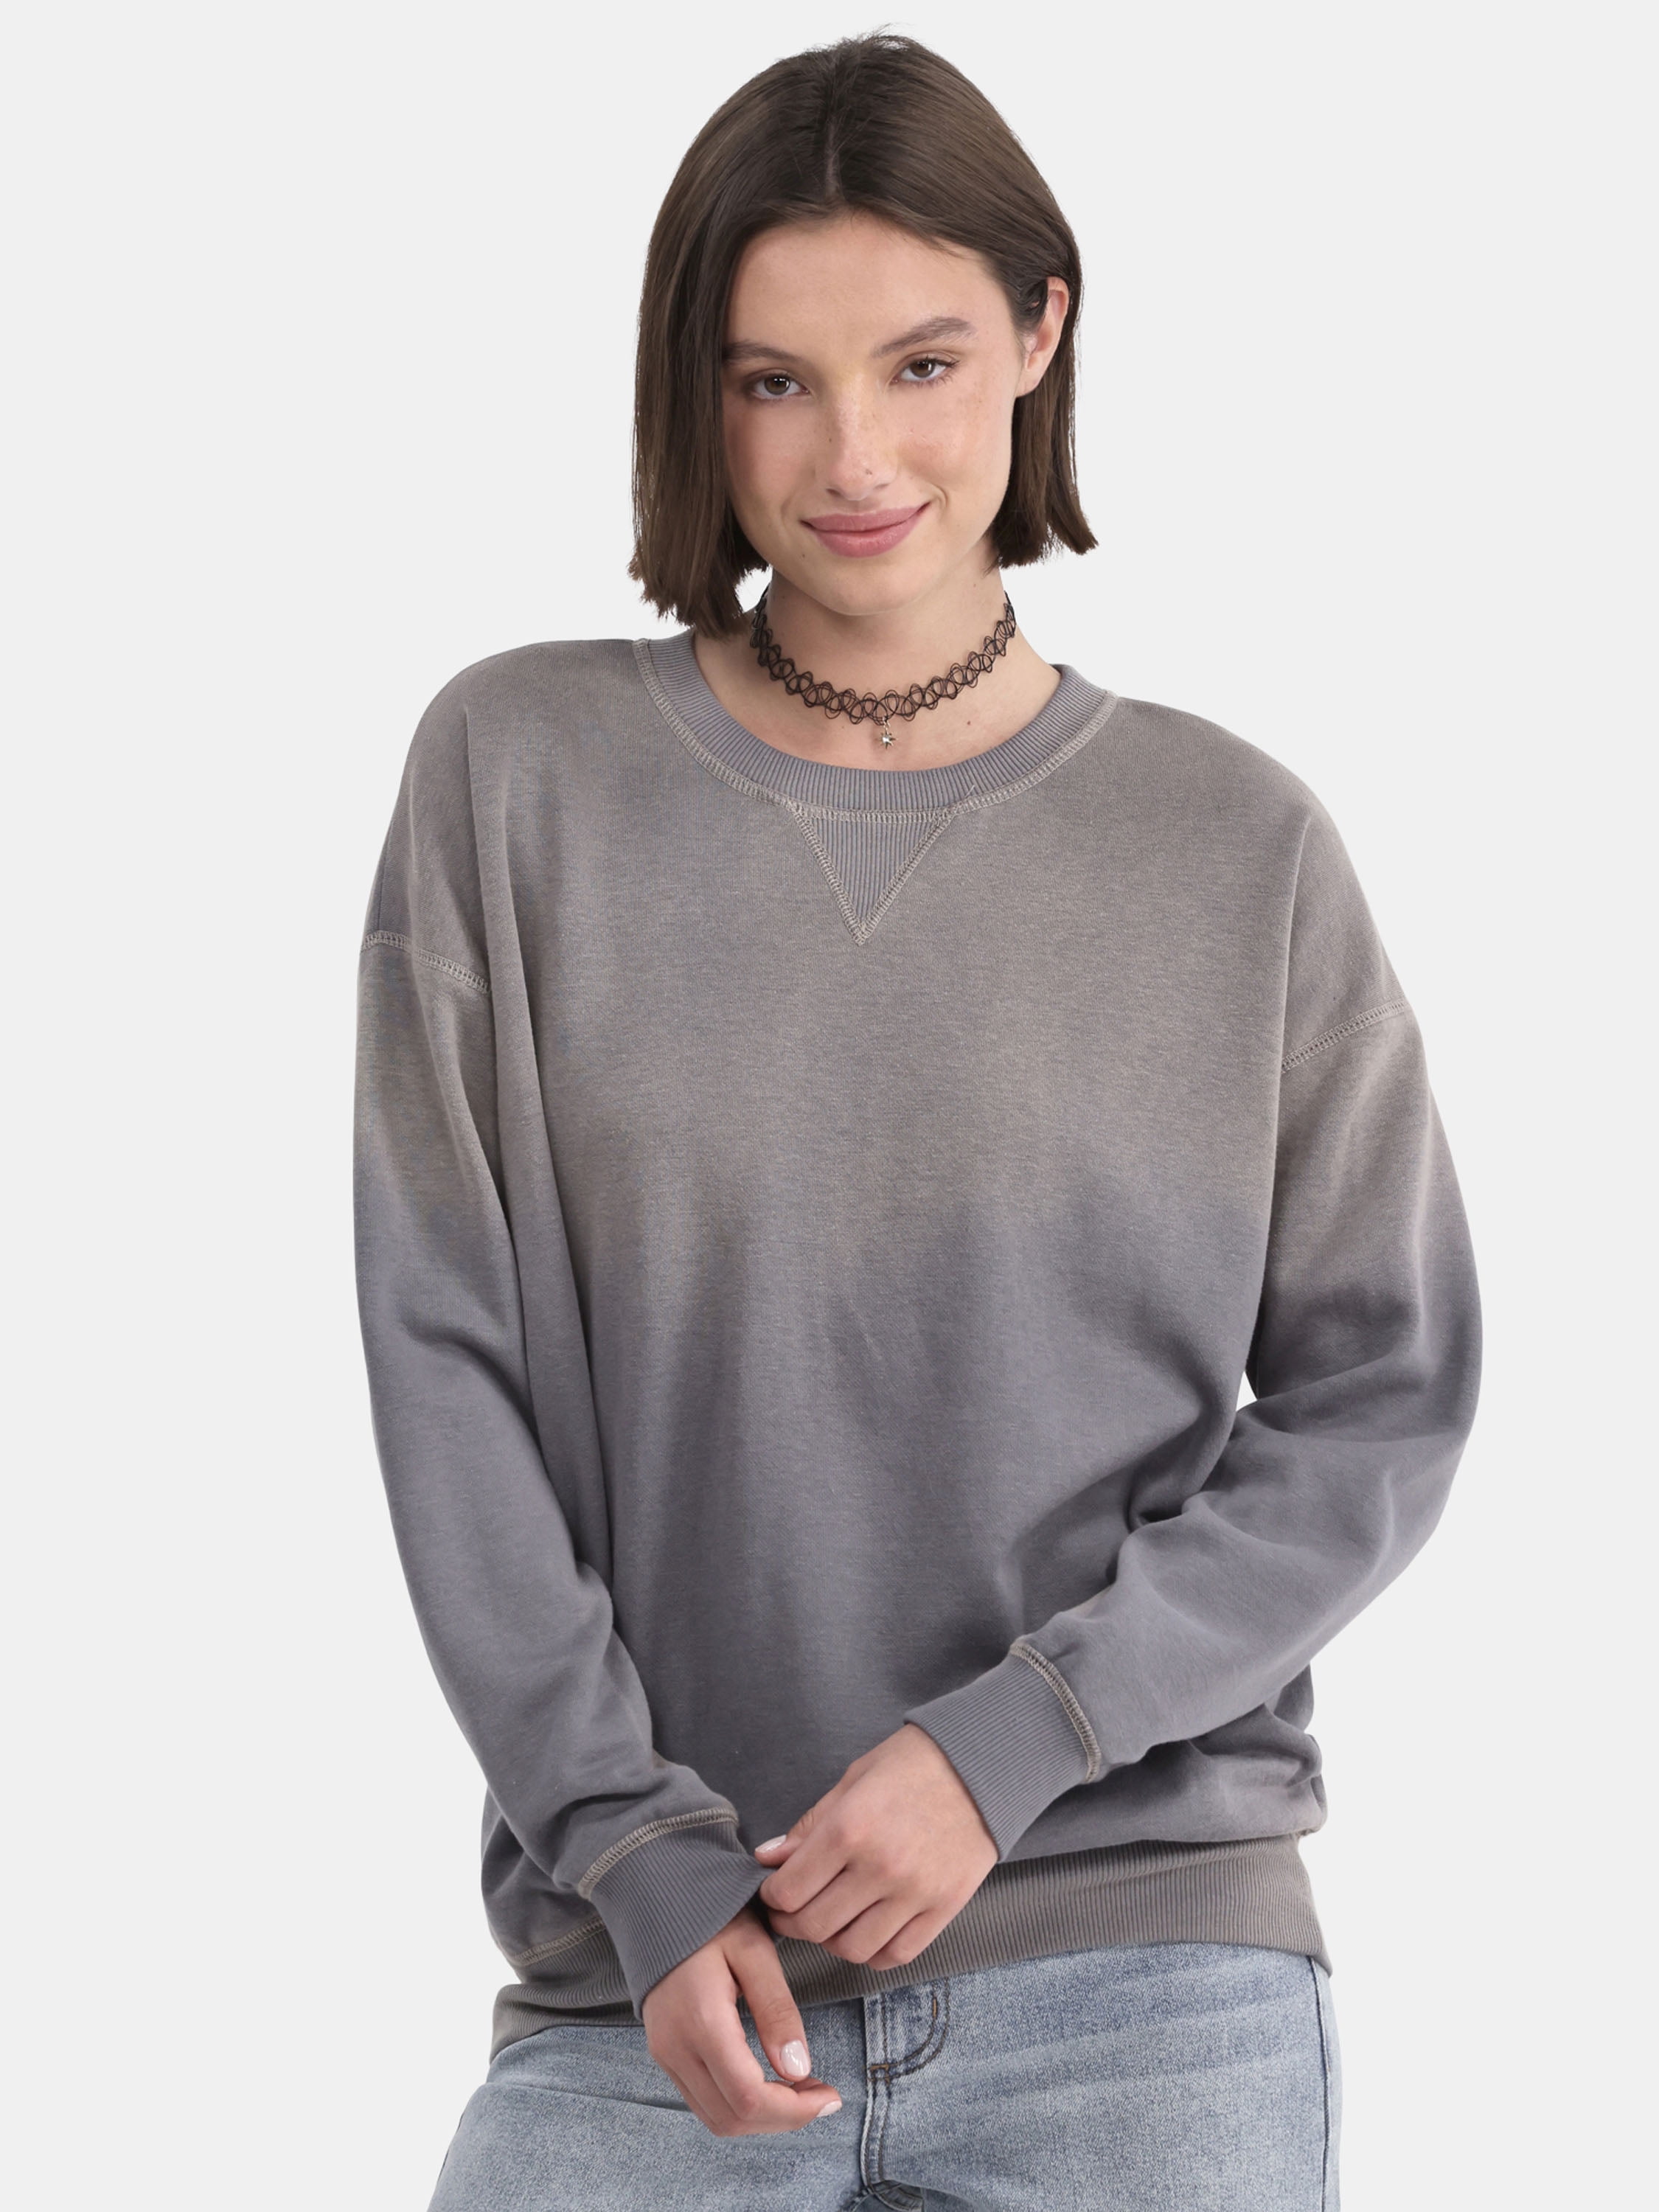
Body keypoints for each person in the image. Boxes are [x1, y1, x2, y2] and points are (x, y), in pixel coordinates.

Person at [353, 32, 1481, 2211]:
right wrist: (632, 1845)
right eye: (772, 380)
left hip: (1146, 1985)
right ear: (692, 393)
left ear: (1044, 332)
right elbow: (444, 1363)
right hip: (659, 1985)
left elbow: (1382, 1394)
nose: (854, 454)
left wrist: (1013, 1741)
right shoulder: (517, 780)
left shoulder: (1231, 847)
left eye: (924, 364)